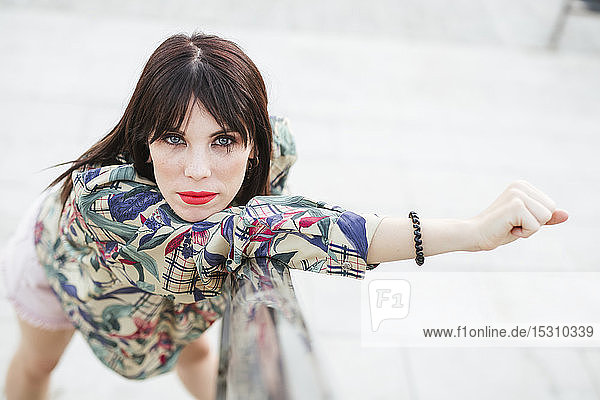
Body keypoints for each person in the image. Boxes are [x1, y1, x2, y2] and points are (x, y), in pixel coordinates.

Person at [0, 32, 568, 400]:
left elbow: (282, 220)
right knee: (37, 366)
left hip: (170, 291)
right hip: (66, 269)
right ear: (144, 137)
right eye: (173, 138)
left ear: (256, 143)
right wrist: (469, 234)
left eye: (223, 140)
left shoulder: (277, 150)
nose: (198, 170)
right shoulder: (106, 203)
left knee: (196, 348)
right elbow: (264, 229)